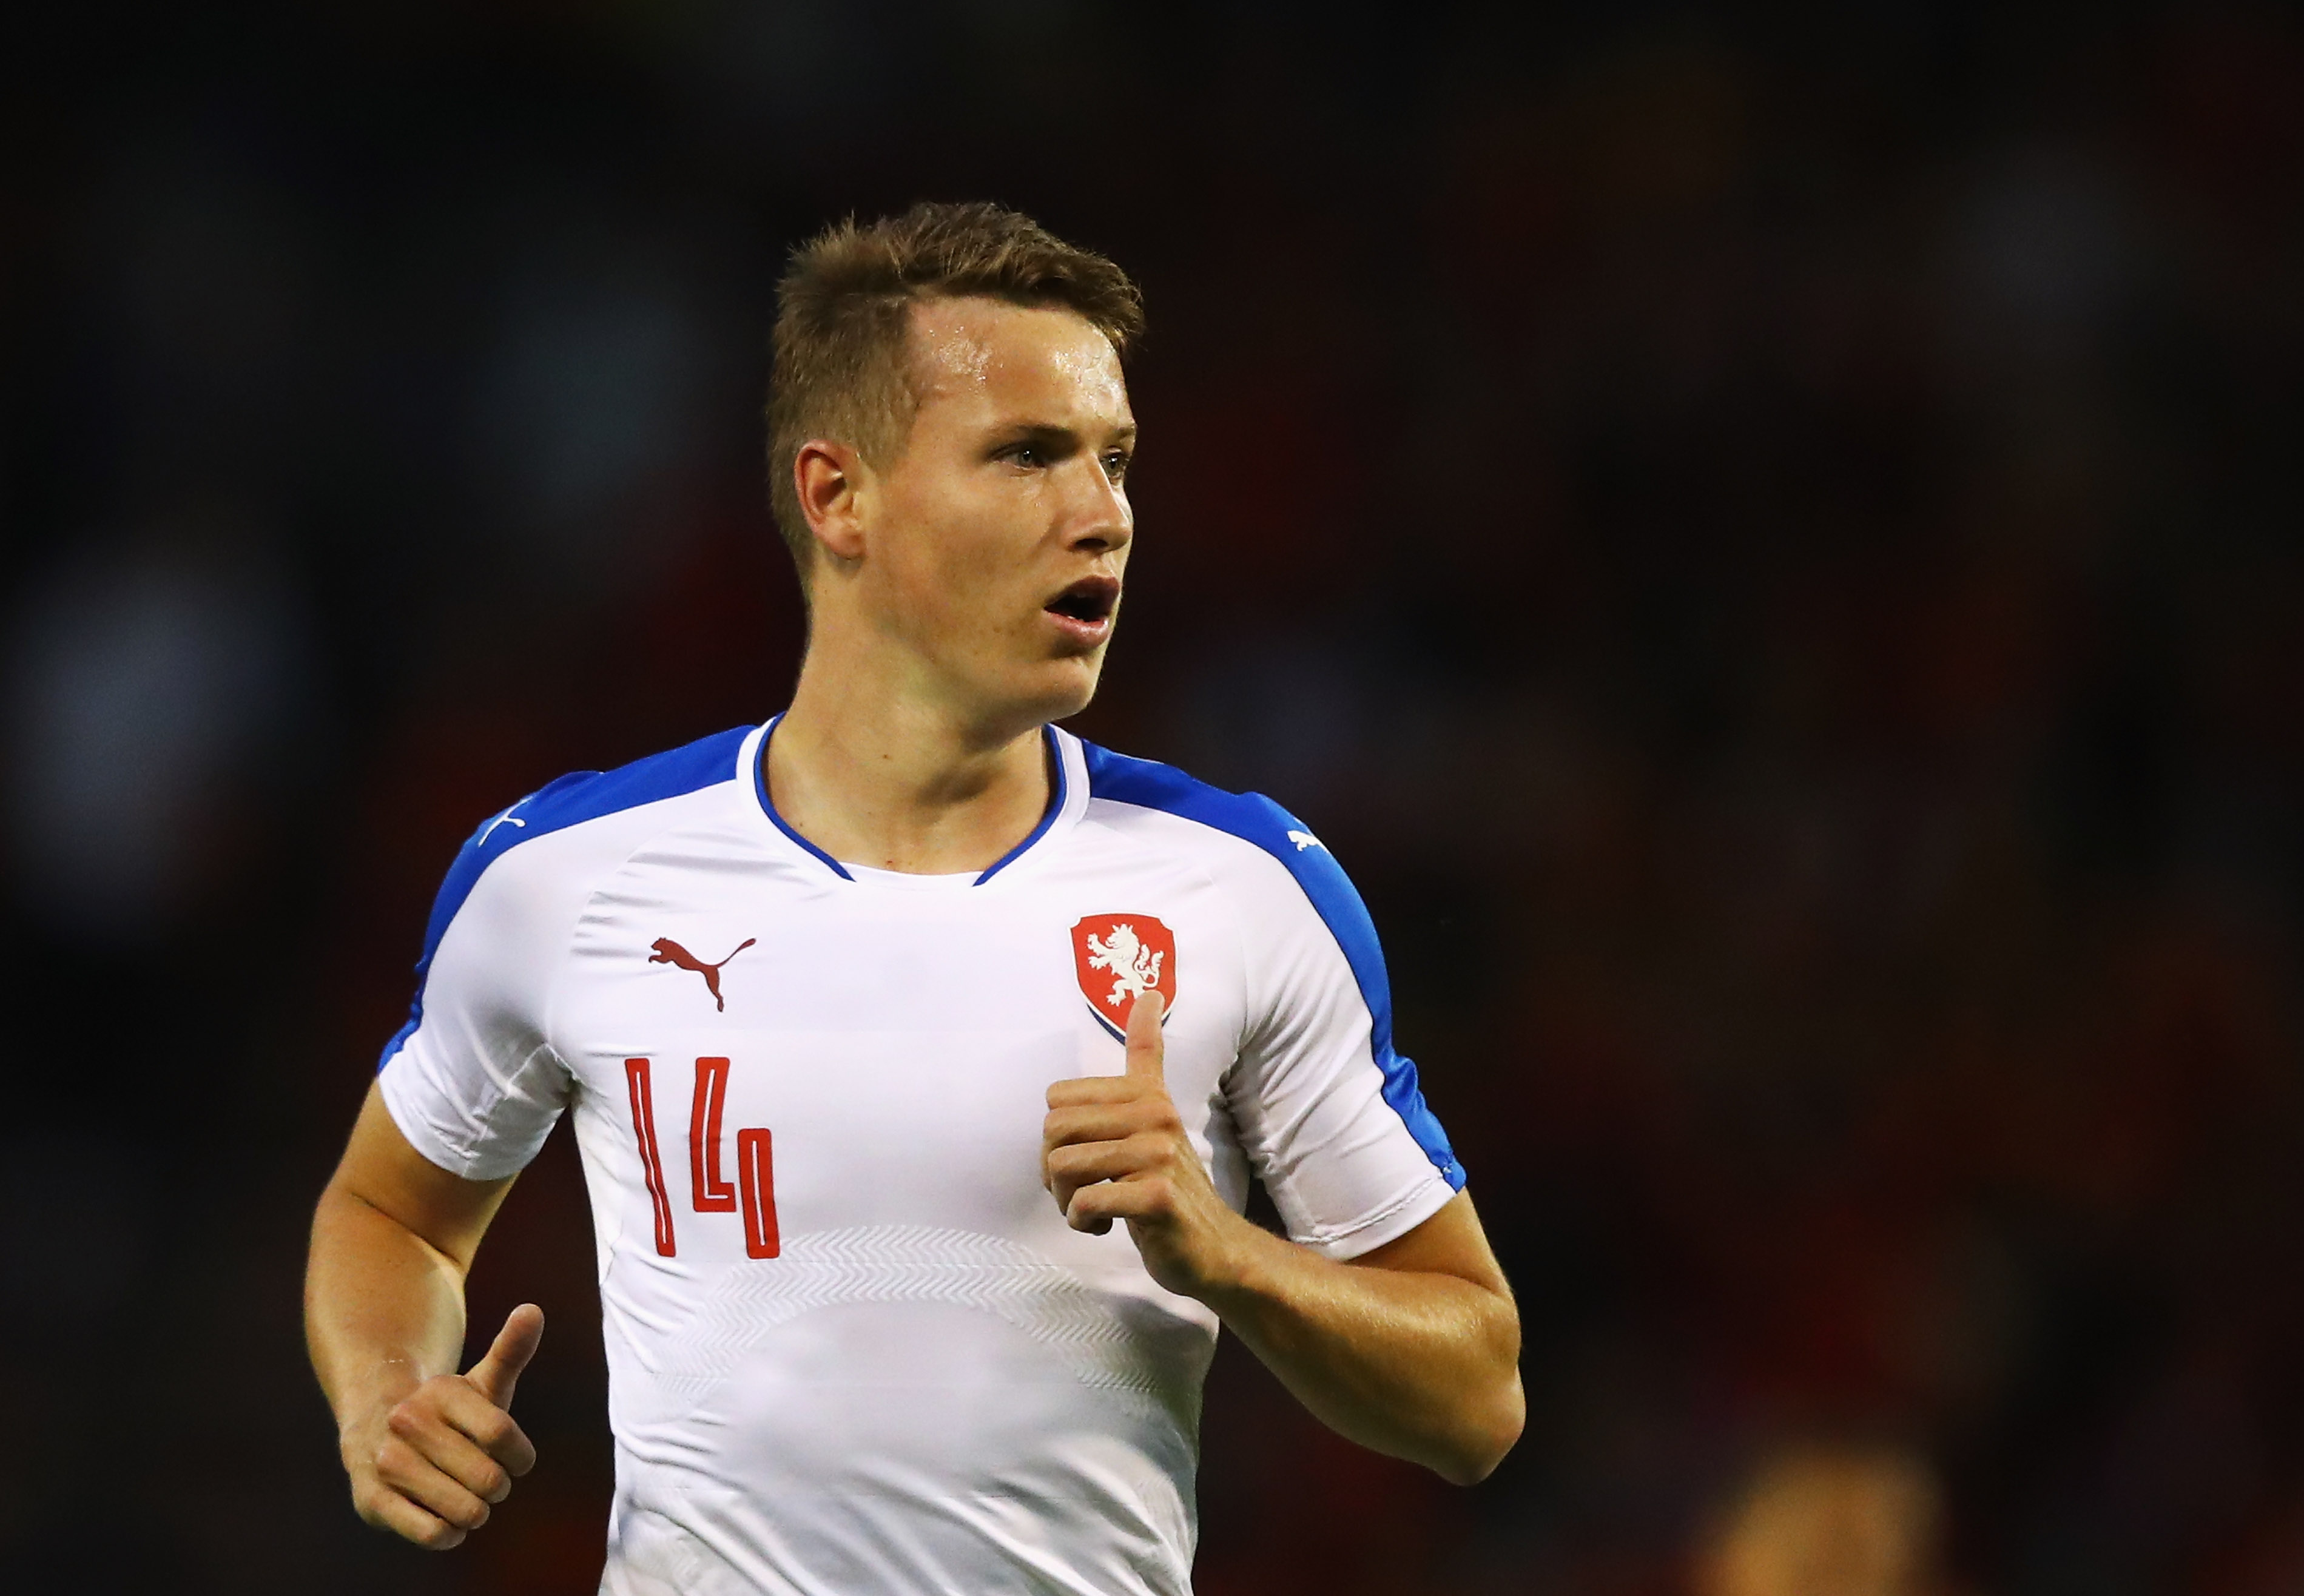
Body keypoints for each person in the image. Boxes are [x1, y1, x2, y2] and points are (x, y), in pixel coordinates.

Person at [304, 201, 1522, 1595]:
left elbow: (1477, 1397)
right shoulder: (563, 874)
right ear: (839, 496)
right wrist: (385, 1394)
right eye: (1026, 455)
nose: (1104, 513)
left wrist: (1227, 1254)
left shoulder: (1239, 887)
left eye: (1115, 459)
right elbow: (389, 1215)